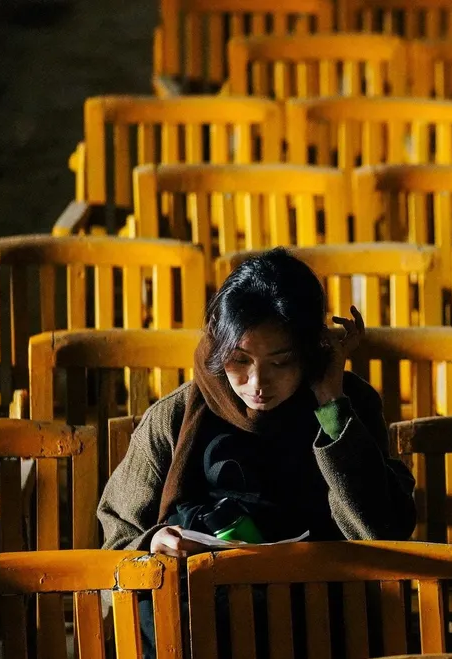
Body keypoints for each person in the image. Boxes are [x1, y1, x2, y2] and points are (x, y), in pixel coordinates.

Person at [98, 248, 417, 656]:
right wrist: (153, 544)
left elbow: (382, 533)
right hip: (201, 630)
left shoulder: (346, 405)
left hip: (321, 626)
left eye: (281, 363)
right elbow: (116, 541)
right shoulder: (176, 417)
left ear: (310, 352)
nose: (257, 383)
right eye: (239, 360)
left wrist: (330, 403)